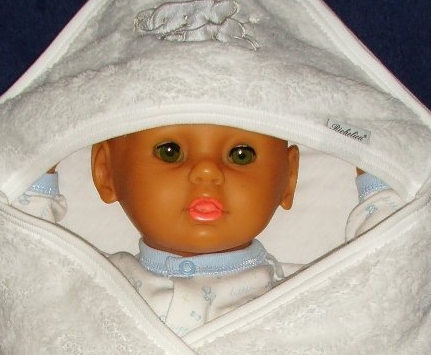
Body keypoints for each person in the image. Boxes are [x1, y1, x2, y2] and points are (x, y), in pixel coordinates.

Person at [22, 123, 400, 336]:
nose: (207, 171)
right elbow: (24, 258)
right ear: (106, 172)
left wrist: (379, 166)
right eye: (170, 151)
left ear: (288, 179)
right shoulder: (96, 281)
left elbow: (389, 274)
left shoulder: (298, 298)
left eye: (241, 155)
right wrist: (36, 154)